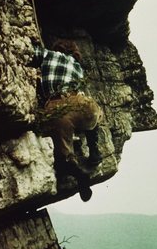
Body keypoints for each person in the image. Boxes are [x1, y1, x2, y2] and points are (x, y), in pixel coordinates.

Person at [30, 39, 103, 202]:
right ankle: (94, 150)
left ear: (58, 48)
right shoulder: (78, 68)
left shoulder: (48, 54)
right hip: (81, 104)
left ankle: (75, 168)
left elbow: (28, 51)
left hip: (58, 108)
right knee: (96, 113)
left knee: (64, 152)